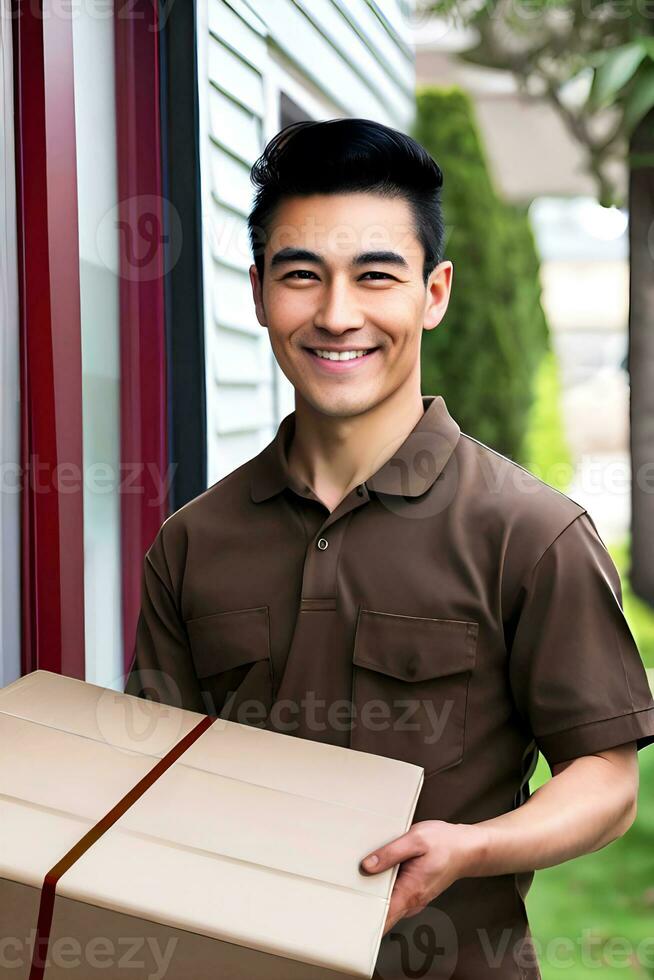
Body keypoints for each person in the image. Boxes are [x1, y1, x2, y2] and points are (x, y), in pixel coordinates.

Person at [125, 118, 654, 979]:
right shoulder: (192, 543)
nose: (338, 316)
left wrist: (474, 847)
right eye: (302, 277)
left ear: (433, 293)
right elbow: (160, 774)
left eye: (376, 276)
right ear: (259, 292)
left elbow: (606, 778)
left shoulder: (529, 531)